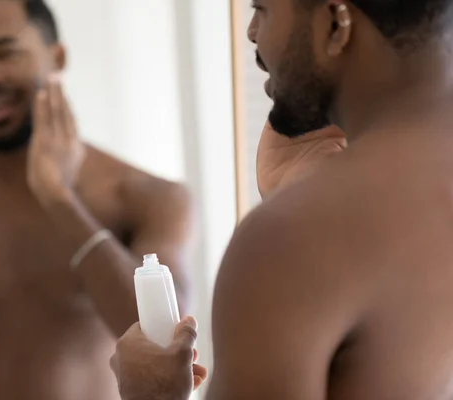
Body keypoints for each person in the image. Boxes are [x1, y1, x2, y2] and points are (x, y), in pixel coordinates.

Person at [111, 0, 453, 399]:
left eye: (263, 10)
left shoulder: (293, 237)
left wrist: (152, 395)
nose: (253, 31)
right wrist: (298, 191)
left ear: (335, 23)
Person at [0, 0, 194, 399]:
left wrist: (59, 198)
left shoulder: (149, 198)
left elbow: (171, 349)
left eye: (5, 53)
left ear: (57, 57)